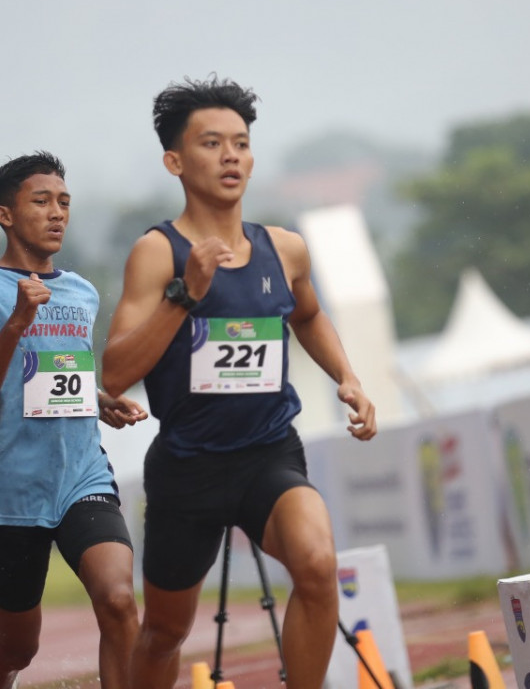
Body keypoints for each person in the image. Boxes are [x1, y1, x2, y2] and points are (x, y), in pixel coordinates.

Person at [101, 76, 378, 689]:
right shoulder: (158, 253)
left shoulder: (285, 249)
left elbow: (308, 315)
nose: (231, 156)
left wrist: (348, 377)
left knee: (317, 565)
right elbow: (116, 372)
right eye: (211, 143)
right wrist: (185, 295)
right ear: (175, 161)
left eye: (241, 143)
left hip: (268, 454)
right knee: (164, 632)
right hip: (188, 469)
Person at [0, 151, 147, 689]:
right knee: (18, 647)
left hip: (83, 475)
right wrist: (17, 321)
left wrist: (96, 399)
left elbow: (52, 372)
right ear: (5, 214)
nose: (57, 213)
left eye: (64, 202)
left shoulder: (82, 291)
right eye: (41, 201)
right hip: (15, 489)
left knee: (119, 600)